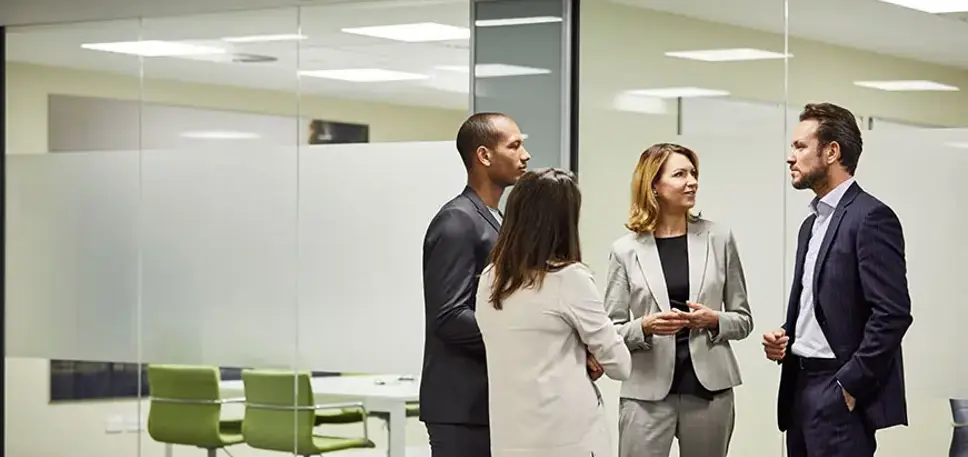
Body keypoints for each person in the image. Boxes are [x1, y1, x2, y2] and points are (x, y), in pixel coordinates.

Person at [762, 102, 913, 457]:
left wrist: (850, 383)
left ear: (832, 152)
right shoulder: (811, 223)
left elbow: (892, 314)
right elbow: (822, 304)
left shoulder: (871, 217)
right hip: (798, 385)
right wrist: (786, 335)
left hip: (837, 389)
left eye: (800, 146)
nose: (790, 157)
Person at [605, 143, 753, 457]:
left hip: (709, 392)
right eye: (680, 174)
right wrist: (645, 326)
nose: (692, 181)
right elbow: (611, 330)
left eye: (693, 173)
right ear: (654, 186)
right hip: (646, 394)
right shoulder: (625, 250)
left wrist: (713, 320)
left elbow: (743, 319)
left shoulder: (719, 238)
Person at [477, 168, 632, 457]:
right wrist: (586, 351)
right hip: (569, 437)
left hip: (509, 437)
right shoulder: (570, 279)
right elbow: (621, 364)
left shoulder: (489, 280)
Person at [419, 112, 530, 457]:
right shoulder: (458, 221)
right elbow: (450, 317)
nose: (525, 155)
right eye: (514, 146)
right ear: (484, 156)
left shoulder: (496, 219)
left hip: (490, 400)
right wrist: (522, 337)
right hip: (461, 406)